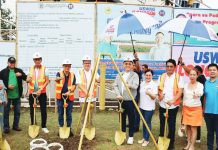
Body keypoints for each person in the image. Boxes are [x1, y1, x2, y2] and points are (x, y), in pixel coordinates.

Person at [158, 59, 184, 150]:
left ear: (174, 67)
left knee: (171, 124)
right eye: (167, 66)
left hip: (173, 106)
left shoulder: (179, 77)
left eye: (171, 66)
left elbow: (180, 91)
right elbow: (159, 88)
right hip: (162, 104)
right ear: (166, 67)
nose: (169, 68)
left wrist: (173, 100)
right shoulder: (162, 76)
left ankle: (171, 142)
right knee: (162, 123)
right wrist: (160, 95)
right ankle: (161, 138)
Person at [179, 57, 206, 142]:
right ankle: (189, 135)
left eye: (194, 73)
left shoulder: (201, 78)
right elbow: (189, 72)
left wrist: (183, 65)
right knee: (190, 125)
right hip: (188, 105)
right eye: (191, 74)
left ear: (198, 73)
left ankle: (196, 138)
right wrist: (182, 64)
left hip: (196, 105)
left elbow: (189, 71)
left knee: (194, 125)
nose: (192, 75)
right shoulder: (188, 84)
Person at [0, 57, 30, 133]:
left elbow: (26, 78)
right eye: (11, 62)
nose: (12, 64)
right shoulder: (3, 72)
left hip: (17, 95)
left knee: (17, 112)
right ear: (8, 63)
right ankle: (6, 127)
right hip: (7, 96)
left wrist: (28, 78)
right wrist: (7, 86)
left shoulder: (19, 71)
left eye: (13, 62)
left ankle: (15, 126)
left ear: (15, 63)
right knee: (6, 112)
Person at [114, 57, 139, 145]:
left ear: (132, 65)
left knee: (131, 119)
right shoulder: (119, 74)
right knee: (122, 118)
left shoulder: (135, 75)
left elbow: (136, 86)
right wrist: (118, 94)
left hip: (130, 101)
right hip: (121, 100)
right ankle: (123, 134)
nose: (127, 65)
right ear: (123, 65)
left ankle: (131, 136)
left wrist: (129, 85)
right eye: (126, 64)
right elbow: (115, 85)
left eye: (129, 64)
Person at [182, 69, 204, 150]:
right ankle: (188, 144)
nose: (192, 76)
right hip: (186, 108)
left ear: (197, 76)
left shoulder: (200, 85)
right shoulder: (185, 85)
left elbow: (200, 93)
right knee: (188, 128)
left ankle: (192, 146)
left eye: (194, 75)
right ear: (189, 75)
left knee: (193, 128)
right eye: (190, 74)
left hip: (196, 109)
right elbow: (184, 97)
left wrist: (197, 94)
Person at [28, 52, 49, 133]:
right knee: (32, 109)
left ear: (41, 60)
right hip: (32, 92)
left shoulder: (45, 68)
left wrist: (40, 89)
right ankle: (33, 124)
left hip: (42, 93)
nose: (37, 61)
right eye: (35, 59)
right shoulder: (30, 68)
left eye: (39, 59)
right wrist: (27, 79)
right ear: (34, 60)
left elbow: (47, 81)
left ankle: (44, 126)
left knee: (43, 110)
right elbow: (28, 78)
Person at [77, 55, 100, 128]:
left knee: (91, 115)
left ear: (90, 63)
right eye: (85, 63)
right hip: (83, 98)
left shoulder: (94, 71)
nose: (87, 64)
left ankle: (89, 128)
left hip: (92, 98)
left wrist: (102, 70)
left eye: (89, 63)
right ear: (83, 64)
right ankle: (82, 129)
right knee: (83, 115)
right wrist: (87, 93)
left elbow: (99, 80)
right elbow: (79, 84)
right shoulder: (79, 72)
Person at [55, 59, 76, 136]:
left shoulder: (73, 75)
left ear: (70, 67)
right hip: (60, 98)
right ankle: (61, 128)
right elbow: (56, 79)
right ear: (63, 66)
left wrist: (69, 91)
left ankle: (69, 128)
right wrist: (59, 78)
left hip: (69, 97)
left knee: (69, 114)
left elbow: (74, 86)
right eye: (65, 66)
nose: (67, 67)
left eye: (68, 66)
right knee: (60, 113)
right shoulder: (59, 73)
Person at [138, 69, 157, 147]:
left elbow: (154, 97)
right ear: (144, 75)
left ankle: (146, 139)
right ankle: (144, 137)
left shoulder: (154, 84)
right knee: (144, 122)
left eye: (149, 75)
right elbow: (141, 95)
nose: (148, 77)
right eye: (147, 75)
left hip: (149, 108)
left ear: (152, 76)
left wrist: (149, 93)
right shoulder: (142, 83)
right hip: (142, 106)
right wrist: (139, 104)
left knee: (147, 123)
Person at [204, 63, 218, 150]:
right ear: (208, 71)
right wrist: (203, 109)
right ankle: (210, 148)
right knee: (210, 132)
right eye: (210, 70)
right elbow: (205, 97)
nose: (212, 71)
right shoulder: (206, 82)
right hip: (208, 112)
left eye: (214, 70)